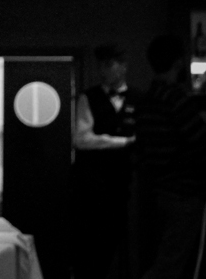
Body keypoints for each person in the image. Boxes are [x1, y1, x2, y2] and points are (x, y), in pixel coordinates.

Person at [132, 34, 206, 279]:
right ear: (179, 62)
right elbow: (203, 145)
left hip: (155, 192)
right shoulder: (175, 99)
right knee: (171, 266)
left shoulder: (146, 100)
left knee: (162, 261)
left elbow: (144, 150)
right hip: (182, 193)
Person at [71, 44, 137, 278]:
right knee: (90, 244)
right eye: (100, 65)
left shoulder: (139, 98)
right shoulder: (88, 97)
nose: (102, 71)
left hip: (126, 184)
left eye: (108, 65)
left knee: (123, 241)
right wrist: (125, 142)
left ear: (123, 67)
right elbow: (81, 140)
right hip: (92, 185)